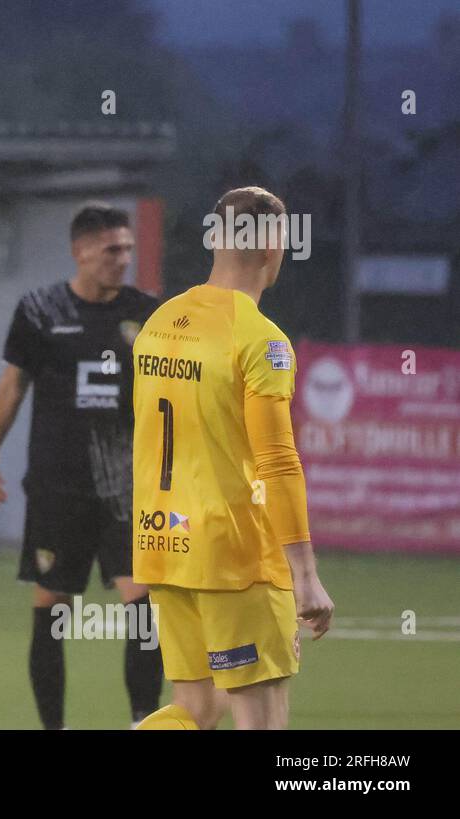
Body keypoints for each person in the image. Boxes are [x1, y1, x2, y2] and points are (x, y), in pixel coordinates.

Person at [133, 187, 334, 730]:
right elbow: (278, 460)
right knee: (262, 719)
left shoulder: (158, 323)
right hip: (234, 555)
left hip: (164, 543)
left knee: (195, 710)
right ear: (274, 250)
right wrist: (306, 575)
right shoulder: (260, 339)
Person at [0, 202, 164, 729]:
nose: (123, 259)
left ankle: (142, 720)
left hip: (128, 488)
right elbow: (13, 385)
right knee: (52, 608)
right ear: (80, 252)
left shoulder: (149, 312)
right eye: (112, 249)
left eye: (128, 248)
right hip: (58, 486)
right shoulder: (40, 310)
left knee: (143, 604)